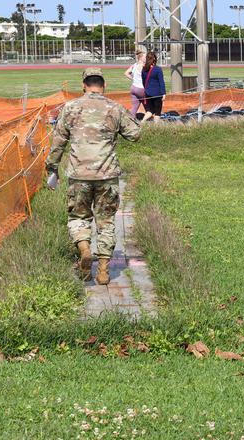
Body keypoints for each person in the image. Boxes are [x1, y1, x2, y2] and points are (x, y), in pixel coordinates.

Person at [46, 68, 141, 286]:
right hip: (107, 174)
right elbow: (135, 135)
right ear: (103, 85)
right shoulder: (114, 108)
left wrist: (52, 168)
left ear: (84, 85)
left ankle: (85, 250)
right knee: (106, 221)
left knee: (78, 217)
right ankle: (104, 271)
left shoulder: (70, 108)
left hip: (79, 174)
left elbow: (58, 142)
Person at [141, 52, 166, 122]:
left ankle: (142, 122)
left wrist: (147, 89)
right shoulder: (158, 69)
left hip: (148, 93)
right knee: (157, 112)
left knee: (150, 111)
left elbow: (143, 81)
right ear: (154, 59)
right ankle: (156, 127)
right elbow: (161, 82)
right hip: (157, 94)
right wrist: (163, 93)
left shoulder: (144, 69)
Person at [125, 49, 146, 116]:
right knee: (148, 107)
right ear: (141, 57)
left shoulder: (134, 65)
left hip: (134, 88)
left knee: (134, 107)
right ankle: (148, 120)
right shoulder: (143, 66)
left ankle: (130, 121)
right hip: (141, 88)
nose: (147, 58)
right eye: (145, 57)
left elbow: (126, 73)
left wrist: (134, 79)